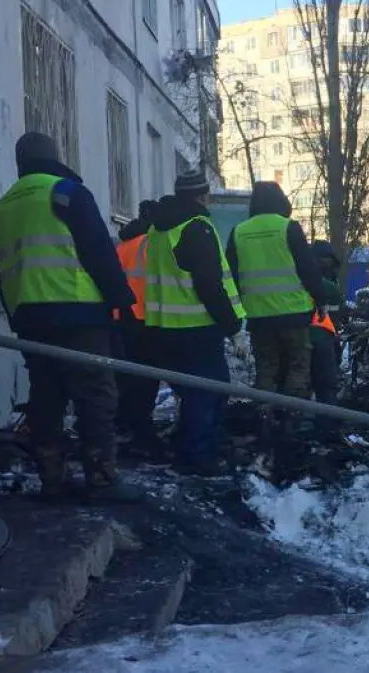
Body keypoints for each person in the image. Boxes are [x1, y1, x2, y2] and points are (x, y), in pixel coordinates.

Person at [0, 131, 139, 501]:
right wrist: (122, 302)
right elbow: (100, 254)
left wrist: (15, 317)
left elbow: (2, 271)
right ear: (54, 157)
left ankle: (52, 479)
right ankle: (101, 481)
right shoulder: (66, 193)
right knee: (96, 397)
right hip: (78, 314)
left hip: (29, 318)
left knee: (47, 397)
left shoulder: (2, 207)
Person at [146, 170, 245, 476]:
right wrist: (233, 328)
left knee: (191, 394)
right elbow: (208, 284)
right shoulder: (197, 227)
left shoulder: (159, 229)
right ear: (202, 196)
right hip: (196, 327)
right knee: (208, 392)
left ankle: (190, 449)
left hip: (162, 326)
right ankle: (197, 458)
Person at [225, 182, 328, 403]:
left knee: (266, 367)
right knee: (297, 366)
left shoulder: (239, 232)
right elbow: (307, 268)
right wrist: (320, 300)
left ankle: (263, 415)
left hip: (258, 316)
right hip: (293, 313)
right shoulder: (288, 227)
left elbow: (230, 276)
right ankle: (291, 416)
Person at [113, 200, 162, 456]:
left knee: (125, 374)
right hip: (146, 316)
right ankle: (141, 426)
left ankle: (122, 423)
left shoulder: (123, 245)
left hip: (122, 317)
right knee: (146, 377)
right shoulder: (152, 244)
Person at [308, 240, 346, 425]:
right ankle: (326, 426)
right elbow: (338, 315)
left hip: (301, 341)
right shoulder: (331, 287)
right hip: (323, 341)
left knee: (298, 385)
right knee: (325, 387)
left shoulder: (300, 282)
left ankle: (296, 424)